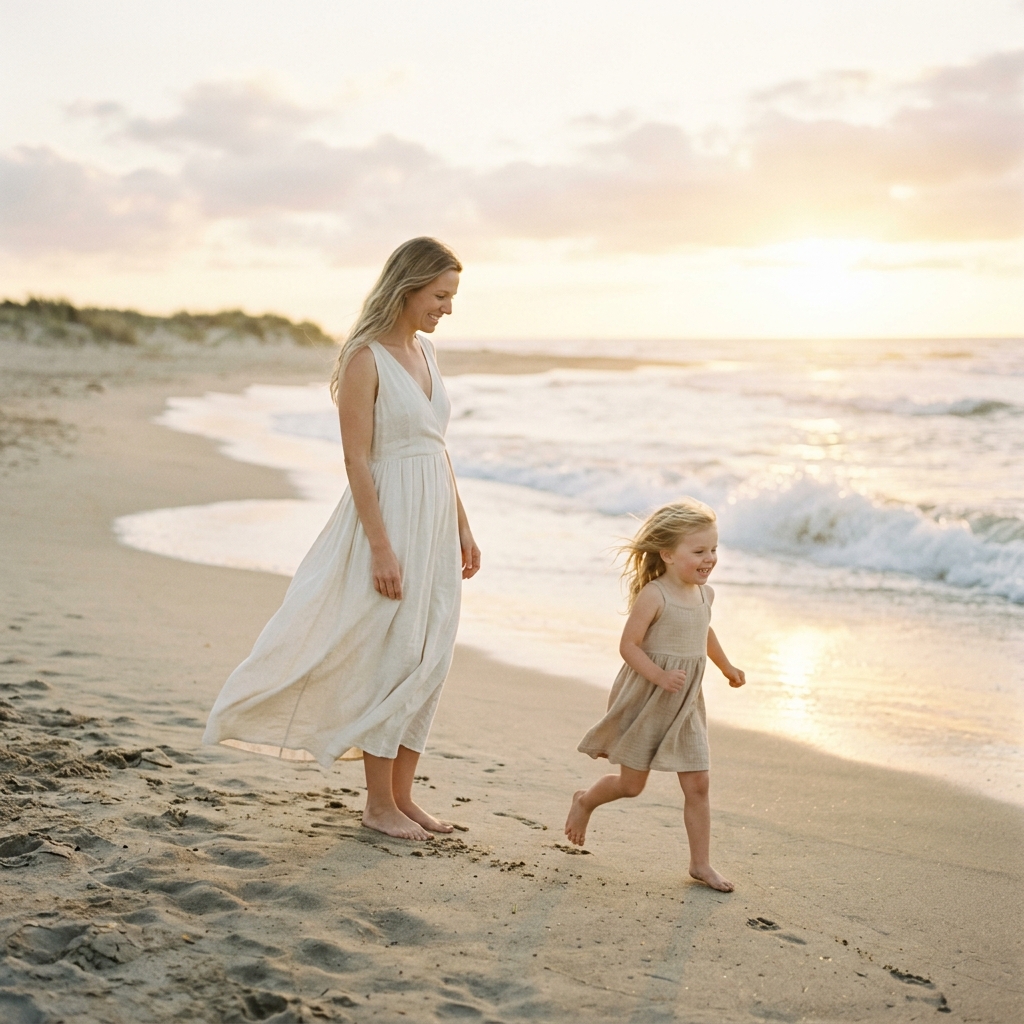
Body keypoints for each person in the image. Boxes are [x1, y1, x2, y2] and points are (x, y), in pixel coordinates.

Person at [203, 237, 481, 841]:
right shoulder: (365, 358)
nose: (448, 308)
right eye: (441, 295)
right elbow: (357, 460)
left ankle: (402, 798)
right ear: (408, 287)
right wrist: (381, 547)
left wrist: (462, 523)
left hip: (434, 518)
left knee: (431, 655)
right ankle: (377, 805)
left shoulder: (427, 353)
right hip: (389, 519)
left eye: (451, 297)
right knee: (393, 654)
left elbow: (438, 446)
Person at [564, 498, 745, 890]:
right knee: (632, 786)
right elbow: (629, 646)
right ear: (666, 553)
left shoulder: (705, 594)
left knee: (698, 783)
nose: (710, 558)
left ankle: (701, 864)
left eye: (714, 549)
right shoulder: (655, 595)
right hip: (647, 697)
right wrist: (659, 676)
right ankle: (585, 801)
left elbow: (705, 633)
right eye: (699, 551)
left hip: (686, 703)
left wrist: (726, 666)